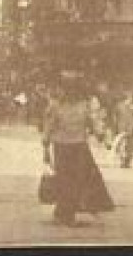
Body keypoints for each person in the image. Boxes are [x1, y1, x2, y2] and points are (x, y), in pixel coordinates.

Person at [42, 78, 115, 227]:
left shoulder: (56, 106)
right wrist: (101, 136)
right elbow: (94, 123)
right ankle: (67, 214)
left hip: (62, 147)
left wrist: (45, 143)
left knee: (65, 179)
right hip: (77, 147)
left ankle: (63, 212)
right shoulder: (82, 106)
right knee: (74, 180)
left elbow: (49, 126)